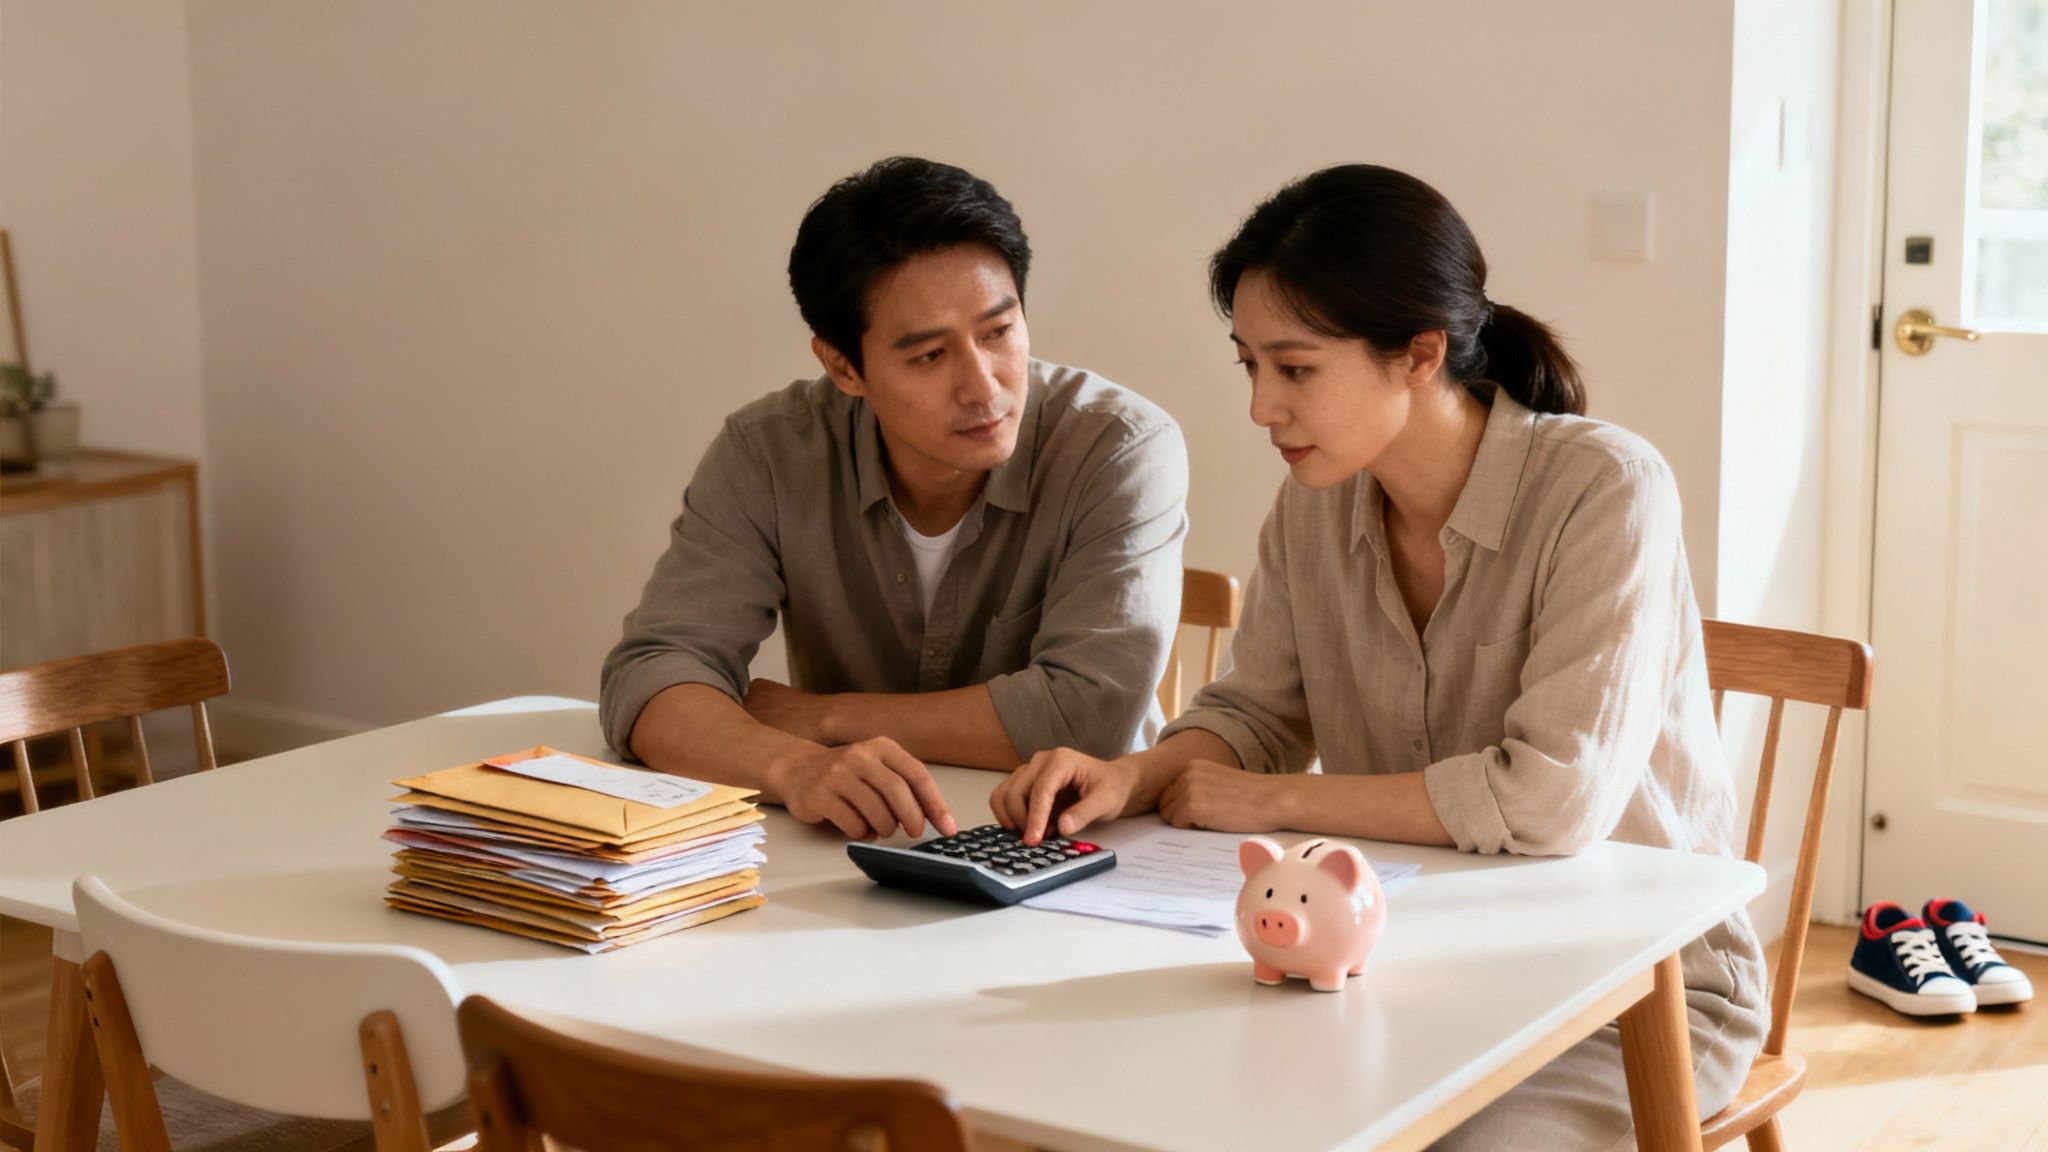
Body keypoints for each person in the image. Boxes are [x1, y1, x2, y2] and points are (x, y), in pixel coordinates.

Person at [990, 164, 1766, 1147]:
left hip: (1635, 995)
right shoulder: (1310, 505)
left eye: (1296, 368)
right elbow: (1256, 718)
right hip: (1382, 966)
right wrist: (1126, 776)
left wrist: (1270, 803)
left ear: (1417, 354)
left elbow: (1549, 800)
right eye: (1249, 366)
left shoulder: (1604, 488)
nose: (1260, 406)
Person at [603, 156, 1188, 844]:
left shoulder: (1118, 445)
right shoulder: (770, 452)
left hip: (1074, 849)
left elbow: (1088, 714)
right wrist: (794, 767)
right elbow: (652, 673)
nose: (984, 387)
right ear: (843, 366)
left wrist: (822, 719)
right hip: (857, 847)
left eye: (999, 333)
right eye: (929, 357)